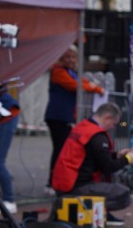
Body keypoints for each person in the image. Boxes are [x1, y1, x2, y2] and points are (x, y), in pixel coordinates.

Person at [50, 102, 133, 225]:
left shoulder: (82, 127)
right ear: (107, 118)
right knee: (124, 195)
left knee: (110, 183)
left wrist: (116, 155)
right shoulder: (97, 136)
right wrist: (127, 160)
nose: (113, 127)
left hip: (65, 183)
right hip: (77, 186)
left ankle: (86, 209)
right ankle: (92, 211)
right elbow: (108, 167)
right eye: (114, 123)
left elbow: (92, 157)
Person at [44, 45, 105, 194]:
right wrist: (96, 88)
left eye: (73, 57)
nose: (70, 60)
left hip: (64, 117)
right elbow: (76, 86)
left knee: (62, 149)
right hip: (57, 117)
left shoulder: (71, 72)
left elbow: (82, 82)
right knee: (60, 150)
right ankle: (52, 183)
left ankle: (56, 182)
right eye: (67, 57)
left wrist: (91, 85)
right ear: (61, 59)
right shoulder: (58, 72)